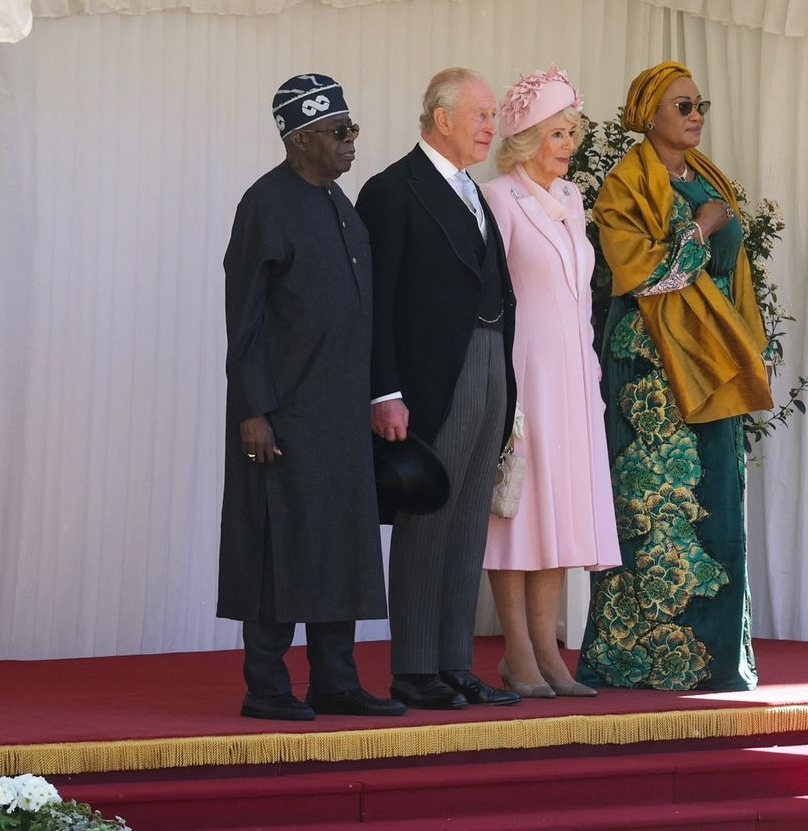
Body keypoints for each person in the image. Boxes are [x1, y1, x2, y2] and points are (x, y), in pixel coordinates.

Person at [576, 61, 774, 692]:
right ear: (650, 114)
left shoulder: (708, 176)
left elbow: (735, 276)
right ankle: (638, 658)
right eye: (683, 106)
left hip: (713, 358)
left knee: (717, 497)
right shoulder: (625, 185)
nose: (695, 117)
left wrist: (749, 345)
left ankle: (716, 658)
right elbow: (641, 276)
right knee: (655, 507)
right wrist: (702, 227)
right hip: (652, 366)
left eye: (699, 105)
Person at [218, 73, 406, 721]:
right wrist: (253, 410)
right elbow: (244, 317)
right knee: (280, 543)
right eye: (338, 131)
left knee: (341, 544)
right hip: (284, 413)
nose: (351, 140)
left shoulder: (339, 202)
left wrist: (378, 395)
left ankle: (336, 682)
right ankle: (267, 687)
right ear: (299, 139)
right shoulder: (266, 204)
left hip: (341, 414)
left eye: (352, 128)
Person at [356, 68, 521, 710]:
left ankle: (454, 663)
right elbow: (375, 303)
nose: (491, 127)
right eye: (481, 114)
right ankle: (415, 668)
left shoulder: (474, 191)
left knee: (470, 520)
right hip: (432, 376)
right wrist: (383, 392)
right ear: (442, 117)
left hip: (489, 361)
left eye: (493, 116)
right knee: (429, 516)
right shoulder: (391, 190)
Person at [481, 67, 621, 698]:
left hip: (573, 375)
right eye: (558, 132)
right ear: (527, 137)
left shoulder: (571, 198)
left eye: (573, 132)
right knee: (518, 512)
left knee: (558, 512)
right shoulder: (498, 198)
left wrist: (590, 366)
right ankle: (519, 653)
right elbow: (491, 298)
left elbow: (578, 294)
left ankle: (549, 655)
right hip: (524, 371)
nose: (570, 144)